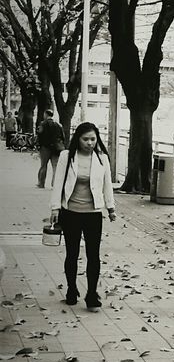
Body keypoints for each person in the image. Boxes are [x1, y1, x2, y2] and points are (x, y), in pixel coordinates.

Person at [50, 122, 116, 309]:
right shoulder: (67, 156)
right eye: (85, 139)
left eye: (93, 139)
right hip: (70, 212)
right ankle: (72, 289)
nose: (89, 143)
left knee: (93, 255)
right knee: (72, 253)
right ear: (78, 139)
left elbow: (107, 185)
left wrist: (110, 208)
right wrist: (55, 208)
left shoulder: (102, 158)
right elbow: (58, 184)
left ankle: (92, 294)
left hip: (93, 213)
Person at [36, 110, 65, 187]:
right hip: (56, 148)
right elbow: (63, 136)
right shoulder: (58, 124)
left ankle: (41, 183)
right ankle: (55, 184)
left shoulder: (43, 124)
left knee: (43, 165)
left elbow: (40, 134)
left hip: (45, 147)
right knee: (55, 166)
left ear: (46, 114)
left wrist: (39, 145)